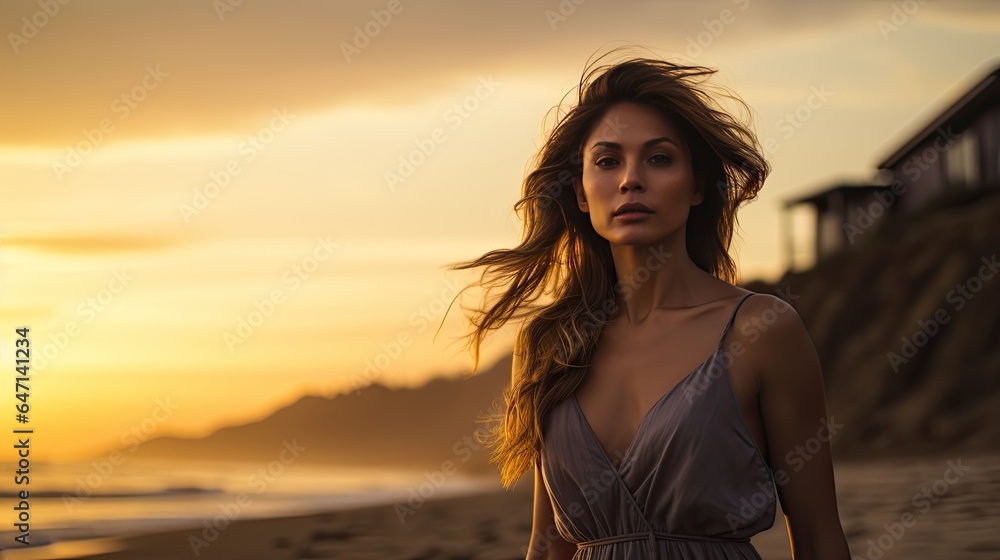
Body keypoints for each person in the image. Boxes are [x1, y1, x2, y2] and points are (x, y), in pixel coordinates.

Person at [446, 46, 851, 559]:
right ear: (581, 192)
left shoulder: (761, 330)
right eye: (607, 160)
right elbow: (548, 546)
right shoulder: (550, 343)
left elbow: (817, 535)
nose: (630, 179)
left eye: (659, 158)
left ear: (698, 185)